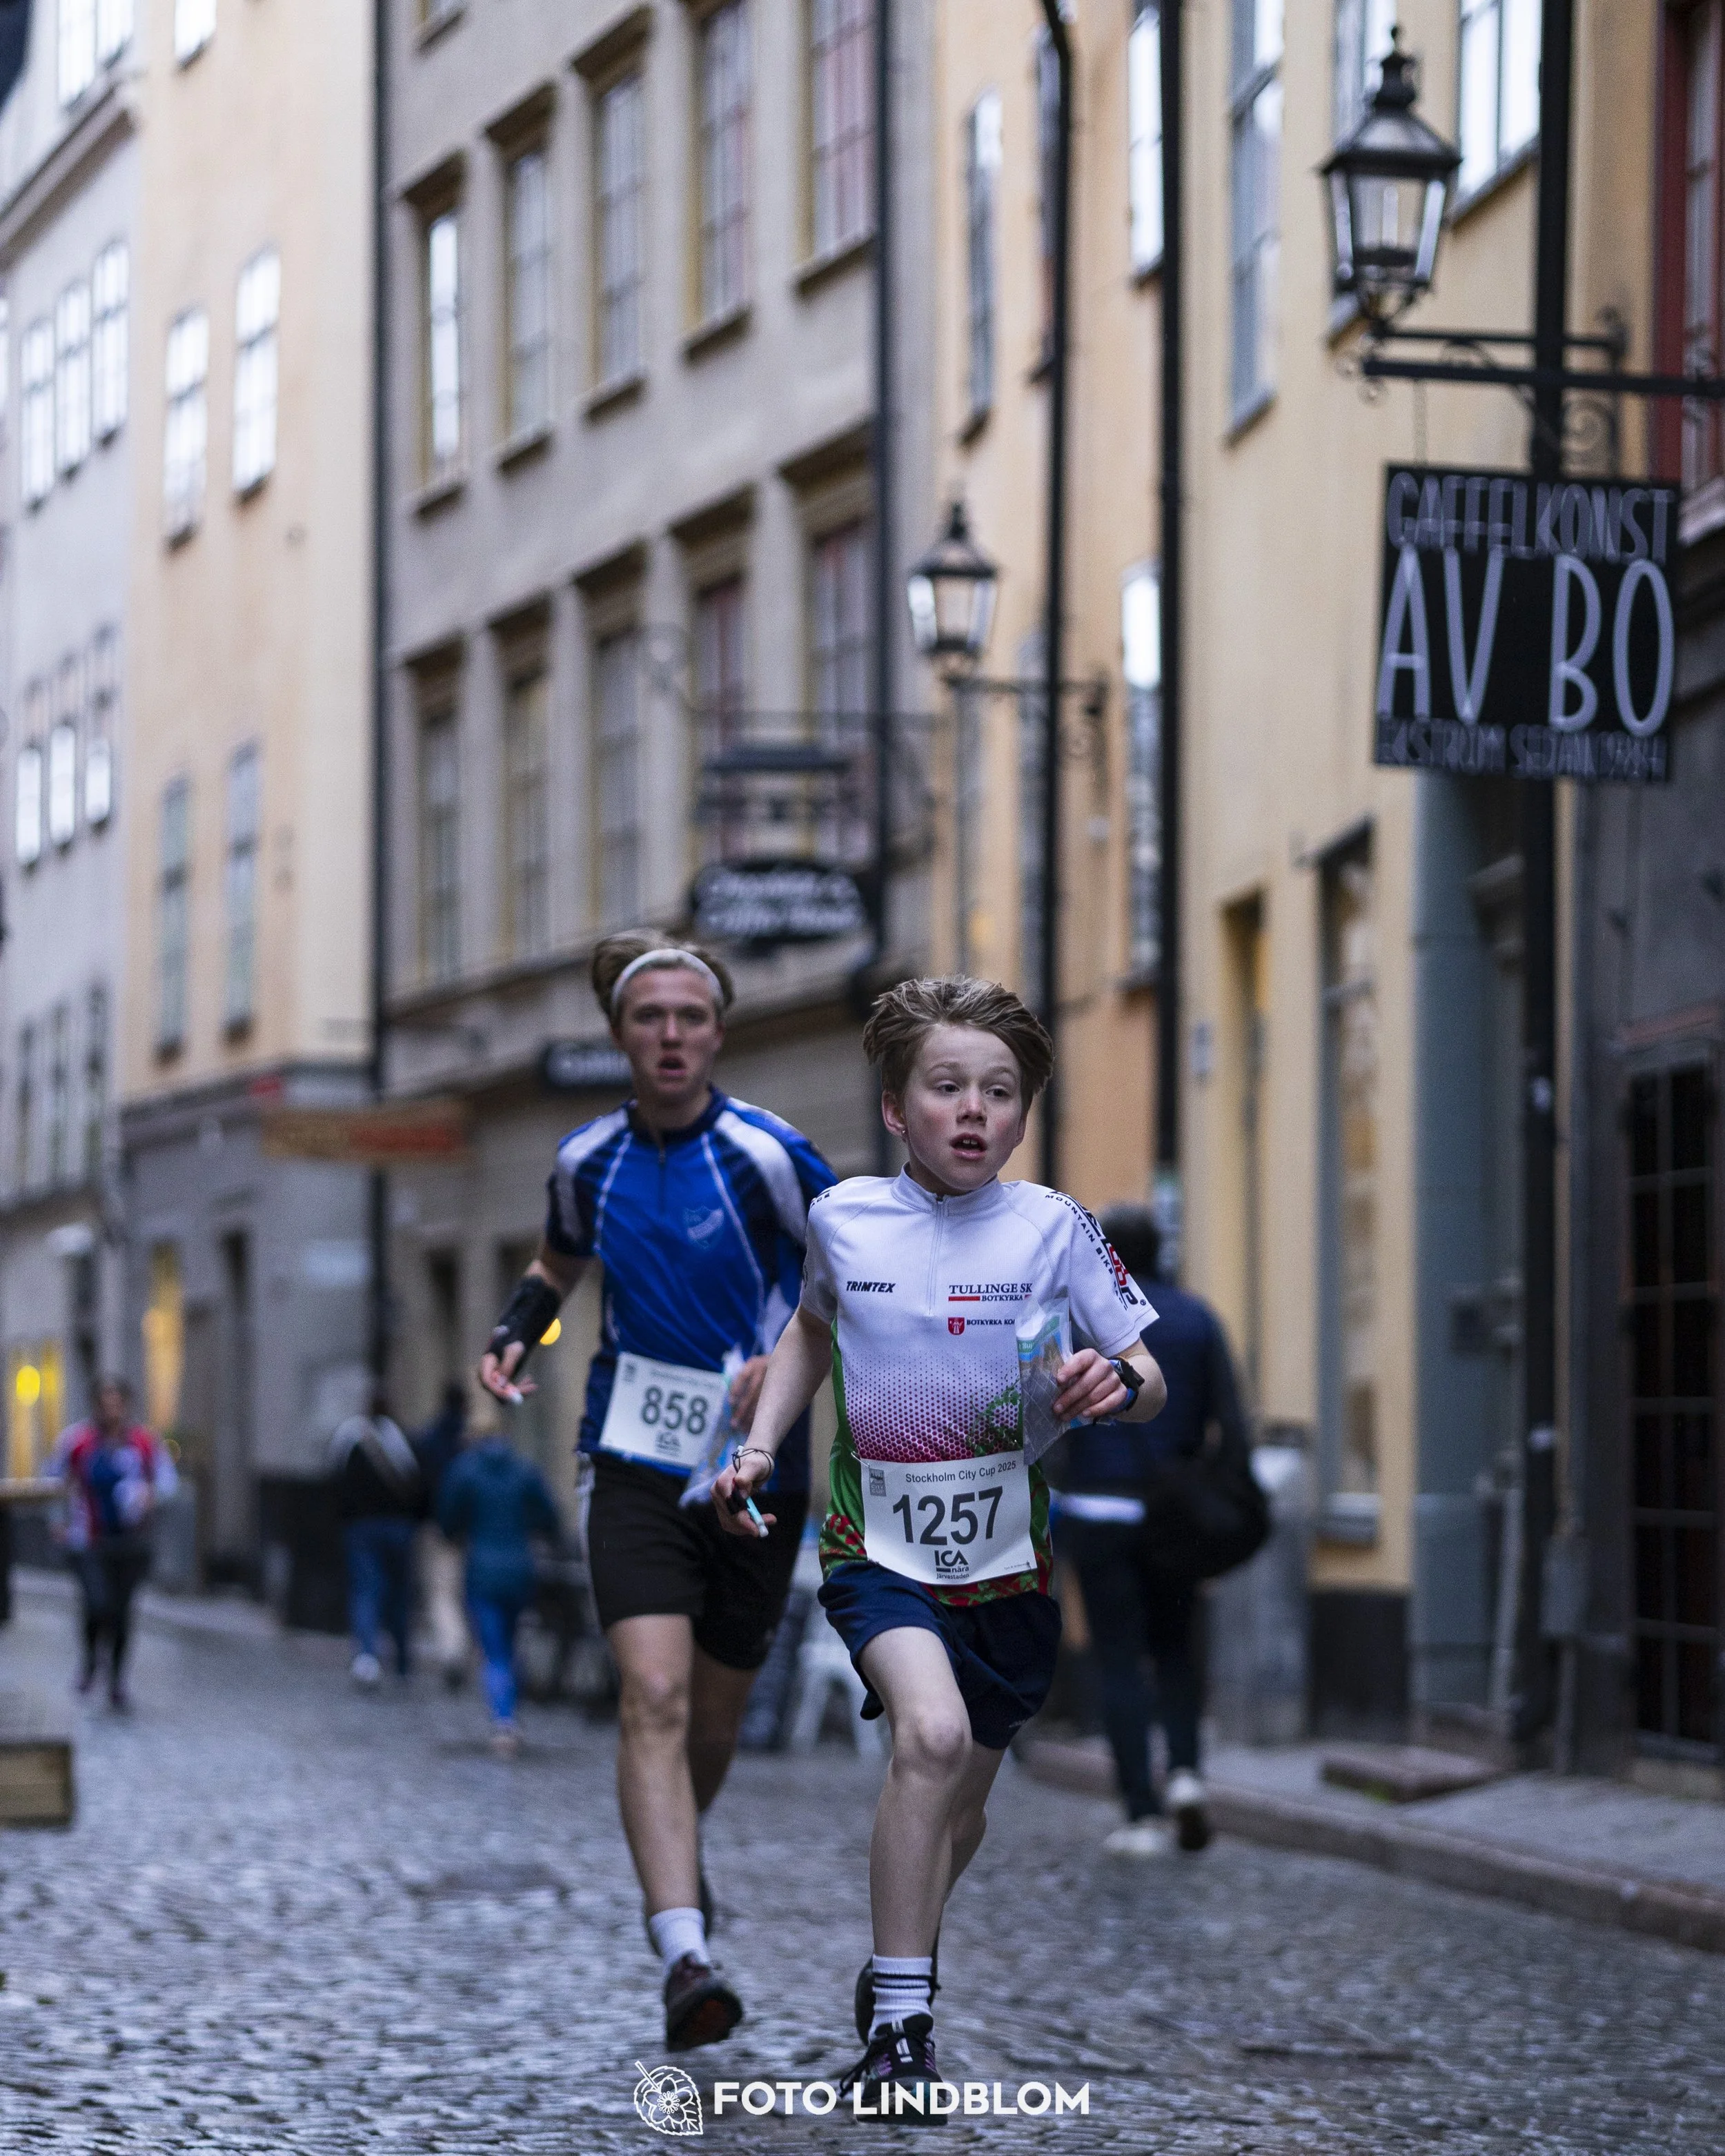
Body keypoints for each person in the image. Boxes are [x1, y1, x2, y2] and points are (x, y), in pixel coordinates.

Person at [715, 976, 1167, 2115]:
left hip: (1008, 1560)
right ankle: (905, 2032)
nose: (974, 1111)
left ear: (1023, 1114)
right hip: (878, 1545)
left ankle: (893, 1960)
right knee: (928, 1734)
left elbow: (1149, 1374)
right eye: (948, 1087)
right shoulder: (845, 1220)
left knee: (962, 1802)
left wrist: (1113, 1383)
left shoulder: (1055, 1226)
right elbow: (809, 1335)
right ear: (896, 1105)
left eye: (1000, 1092)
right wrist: (761, 1445)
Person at [477, 931, 834, 2054]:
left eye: (690, 1017)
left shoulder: (772, 1156)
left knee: (714, 1718)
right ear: (621, 1035)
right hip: (629, 1454)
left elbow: (849, 1277)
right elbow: (557, 1267)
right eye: (650, 1019)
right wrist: (513, 1335)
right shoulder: (589, 1161)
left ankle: (677, 1860)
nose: (672, 1036)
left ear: (718, 1033)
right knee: (655, 1695)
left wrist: (784, 1363)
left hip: (753, 1460)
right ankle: (684, 1951)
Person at [1054, 1205, 1248, 1859]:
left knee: (1116, 1660)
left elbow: (1050, 1416)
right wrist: (1221, 1496)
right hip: (1174, 1518)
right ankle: (1188, 1774)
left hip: (1096, 1511)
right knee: (1175, 1649)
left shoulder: (1085, 1323)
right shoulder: (1197, 1318)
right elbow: (1232, 1422)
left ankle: (1141, 1812)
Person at [48, 1377, 178, 1711]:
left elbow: (167, 1483)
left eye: (117, 1403)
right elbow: (51, 1479)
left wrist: (151, 1496)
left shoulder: (144, 1443)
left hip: (131, 1543)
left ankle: (118, 1679)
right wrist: (57, 1520)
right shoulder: (78, 1442)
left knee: (122, 1613)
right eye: (105, 1405)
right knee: (97, 1603)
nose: (112, 1412)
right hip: (90, 1541)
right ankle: (91, 1658)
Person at [437, 1420, 562, 1757]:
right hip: (521, 1569)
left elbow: (448, 1518)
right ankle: (510, 1710)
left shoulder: (466, 1471)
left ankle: (503, 1718)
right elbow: (550, 1515)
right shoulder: (525, 1470)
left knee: (494, 1650)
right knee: (510, 1642)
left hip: (481, 1570)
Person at [330, 1392, 421, 1689]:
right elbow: (415, 1483)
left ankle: (367, 1655)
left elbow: (337, 1484)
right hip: (396, 1528)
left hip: (363, 1529)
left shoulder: (350, 1440)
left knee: (367, 1592)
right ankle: (402, 1660)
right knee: (398, 1595)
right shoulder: (400, 1440)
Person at [414, 1381, 473, 1691]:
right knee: (463, 1594)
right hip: (473, 1530)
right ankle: (462, 1650)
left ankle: (453, 1650)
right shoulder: (471, 1443)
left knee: (443, 1594)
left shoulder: (431, 1440)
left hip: (440, 1527)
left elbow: (420, 1484)